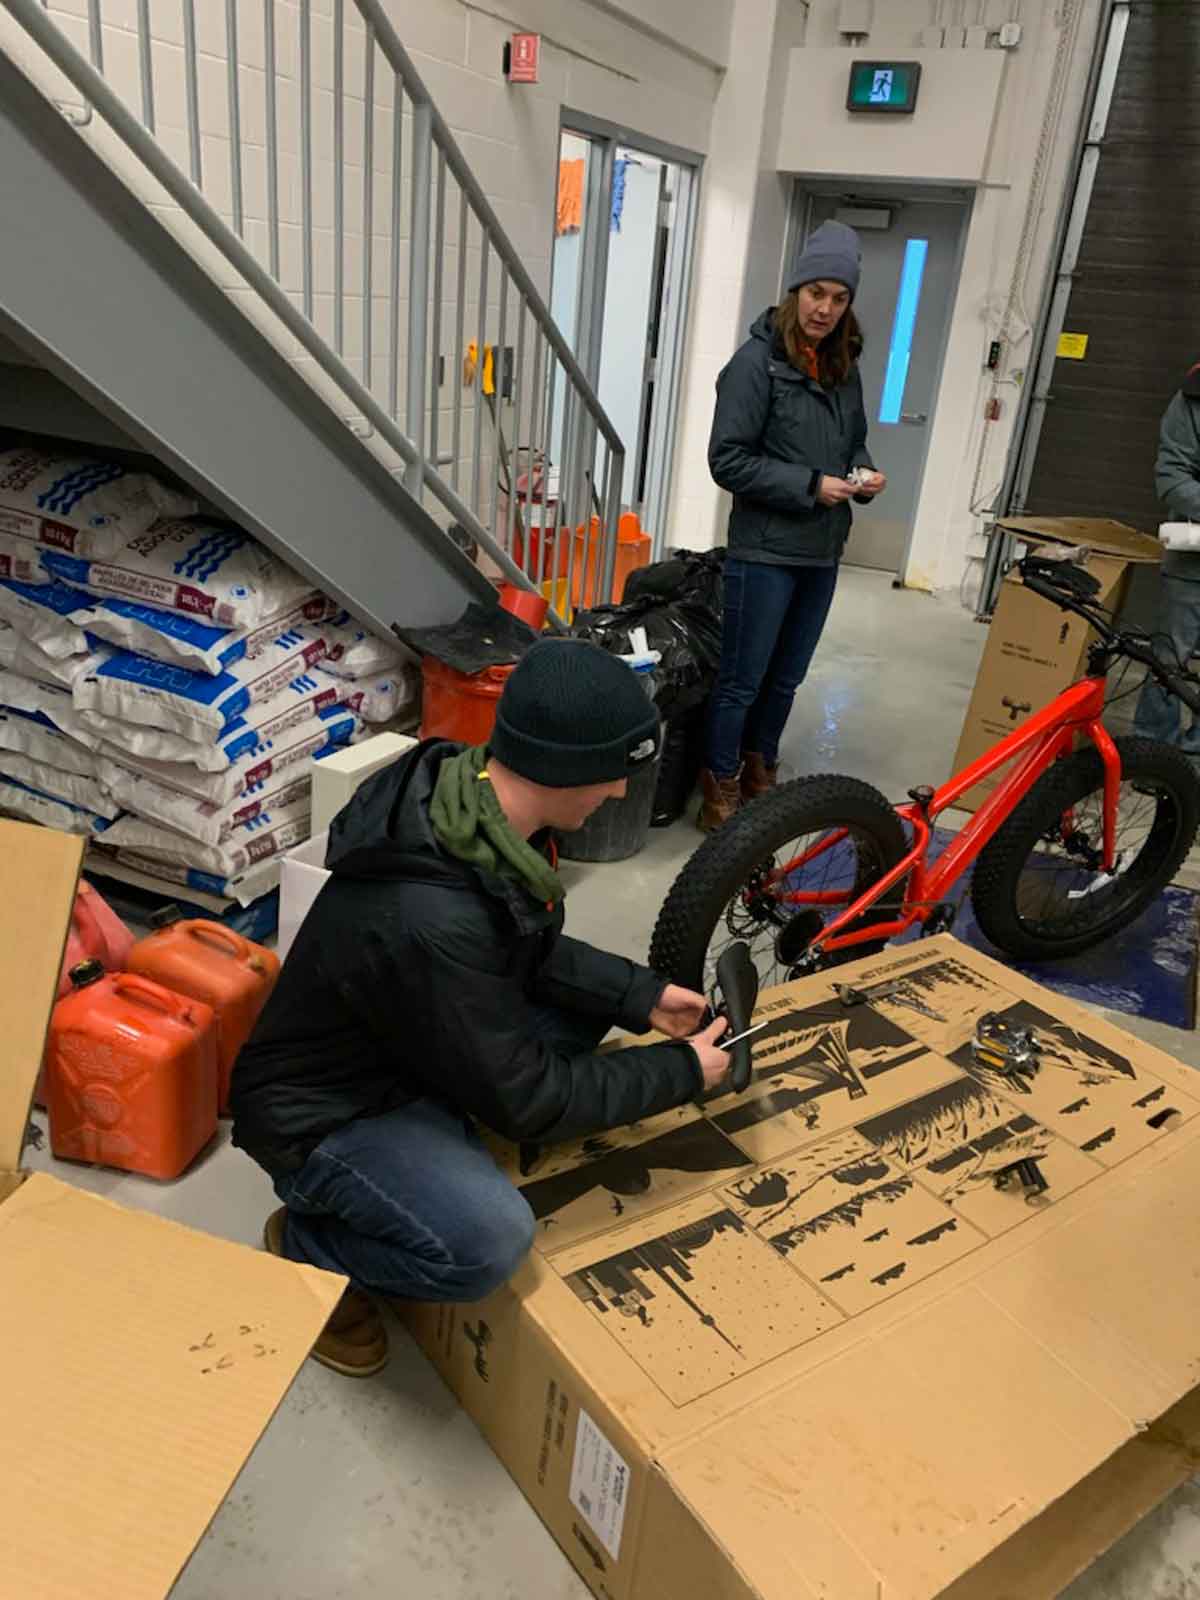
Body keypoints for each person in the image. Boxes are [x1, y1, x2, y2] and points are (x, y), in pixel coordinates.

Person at [229, 639, 731, 1378]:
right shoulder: (433, 918)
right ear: (564, 770)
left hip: (407, 1044)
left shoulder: (474, 807)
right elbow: (530, 1100)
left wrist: (642, 996)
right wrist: (682, 1073)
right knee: (486, 1243)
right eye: (615, 772)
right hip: (329, 1114)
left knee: (586, 1013)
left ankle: (443, 1136)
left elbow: (523, 947)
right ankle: (312, 1247)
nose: (621, 792)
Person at [699, 220, 887, 831]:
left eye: (839, 298)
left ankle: (761, 771)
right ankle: (720, 784)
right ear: (795, 291)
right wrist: (810, 485)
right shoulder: (754, 365)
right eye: (816, 293)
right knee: (743, 682)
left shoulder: (844, 367)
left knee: (786, 680)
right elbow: (727, 460)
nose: (825, 309)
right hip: (764, 552)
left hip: (820, 551)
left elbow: (853, 441)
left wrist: (863, 471)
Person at [1133, 368, 1200, 754]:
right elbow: (1172, 476)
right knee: (1169, 659)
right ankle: (1153, 751)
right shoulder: (1194, 396)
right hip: (1193, 563)